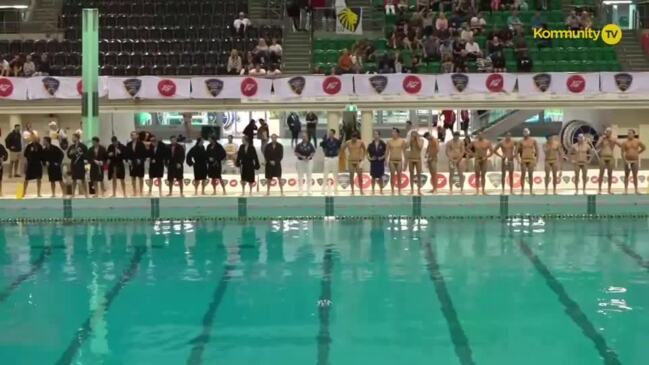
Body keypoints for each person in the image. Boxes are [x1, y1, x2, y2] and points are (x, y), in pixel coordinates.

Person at [621, 129, 646, 194]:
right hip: (627, 161)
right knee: (626, 175)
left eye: (630, 133)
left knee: (635, 175)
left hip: (635, 161)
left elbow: (644, 147)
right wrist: (624, 160)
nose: (628, 134)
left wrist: (638, 153)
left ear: (633, 134)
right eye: (628, 133)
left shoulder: (637, 141)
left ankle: (636, 190)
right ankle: (625, 190)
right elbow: (622, 152)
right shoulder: (624, 142)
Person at [596, 128, 618, 195]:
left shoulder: (613, 139)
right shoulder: (602, 138)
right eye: (606, 132)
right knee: (601, 173)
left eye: (608, 132)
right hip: (603, 157)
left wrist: (612, 140)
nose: (607, 133)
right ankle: (599, 189)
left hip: (610, 157)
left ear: (610, 133)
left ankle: (609, 190)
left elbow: (620, 145)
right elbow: (596, 146)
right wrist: (601, 139)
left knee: (610, 174)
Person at [344, 131, 366, 195]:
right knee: (351, 176)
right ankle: (352, 190)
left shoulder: (361, 142)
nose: (354, 139)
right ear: (351, 137)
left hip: (358, 161)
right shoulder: (348, 142)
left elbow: (365, 150)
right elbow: (342, 149)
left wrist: (363, 158)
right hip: (351, 161)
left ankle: (361, 190)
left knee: (360, 176)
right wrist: (345, 157)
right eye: (353, 138)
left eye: (355, 138)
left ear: (357, 137)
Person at [67, 133, 89, 198]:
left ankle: (86, 194)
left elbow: (86, 155)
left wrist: (81, 155)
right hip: (74, 164)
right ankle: (73, 194)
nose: (72, 138)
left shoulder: (83, 146)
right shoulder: (71, 147)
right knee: (74, 179)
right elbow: (68, 155)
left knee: (83, 179)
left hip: (80, 164)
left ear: (77, 138)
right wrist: (71, 153)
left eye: (73, 137)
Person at [386, 128, 406, 195]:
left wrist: (405, 161)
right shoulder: (389, 141)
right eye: (392, 132)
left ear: (398, 133)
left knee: (399, 175)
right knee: (392, 175)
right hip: (391, 160)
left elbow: (404, 151)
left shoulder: (402, 141)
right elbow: (387, 151)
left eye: (394, 132)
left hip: (399, 160)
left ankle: (399, 190)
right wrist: (385, 160)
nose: (393, 133)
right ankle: (392, 190)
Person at [294, 131, 315, 196]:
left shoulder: (310, 145)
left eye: (305, 136)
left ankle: (309, 190)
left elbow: (313, 152)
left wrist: (309, 157)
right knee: (300, 176)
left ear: (307, 137)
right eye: (303, 136)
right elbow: (296, 153)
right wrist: (302, 156)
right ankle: (300, 190)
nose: (304, 138)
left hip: (309, 161)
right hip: (300, 161)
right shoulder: (298, 145)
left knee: (309, 175)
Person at [518, 128, 538, 195]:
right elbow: (516, 152)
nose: (525, 134)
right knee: (523, 175)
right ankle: (522, 190)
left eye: (526, 132)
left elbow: (537, 151)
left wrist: (536, 161)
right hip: (523, 159)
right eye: (524, 132)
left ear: (529, 133)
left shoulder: (533, 141)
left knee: (530, 175)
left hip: (531, 159)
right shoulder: (520, 141)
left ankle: (531, 190)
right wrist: (518, 160)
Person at [126, 131, 146, 196]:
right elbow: (126, 154)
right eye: (131, 135)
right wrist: (127, 160)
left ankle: (141, 191)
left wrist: (141, 160)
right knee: (133, 177)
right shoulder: (128, 144)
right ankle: (134, 191)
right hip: (132, 163)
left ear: (137, 136)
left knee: (140, 177)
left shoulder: (141, 144)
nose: (133, 136)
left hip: (139, 163)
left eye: (134, 135)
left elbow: (144, 154)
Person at [367, 131, 387, 195]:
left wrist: (382, 157)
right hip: (373, 162)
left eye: (376, 134)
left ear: (379, 135)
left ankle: (381, 190)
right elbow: (367, 153)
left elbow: (386, 152)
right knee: (373, 177)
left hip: (380, 162)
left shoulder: (383, 144)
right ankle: (373, 190)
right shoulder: (370, 145)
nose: (375, 135)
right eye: (374, 134)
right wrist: (370, 158)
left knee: (380, 177)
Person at [406, 130, 424, 195]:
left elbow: (420, 147)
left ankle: (419, 190)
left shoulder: (421, 140)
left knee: (419, 175)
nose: (413, 136)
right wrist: (410, 139)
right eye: (412, 134)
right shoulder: (410, 140)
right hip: (411, 158)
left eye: (415, 134)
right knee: (411, 174)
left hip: (418, 158)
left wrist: (416, 139)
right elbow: (407, 146)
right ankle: (412, 189)